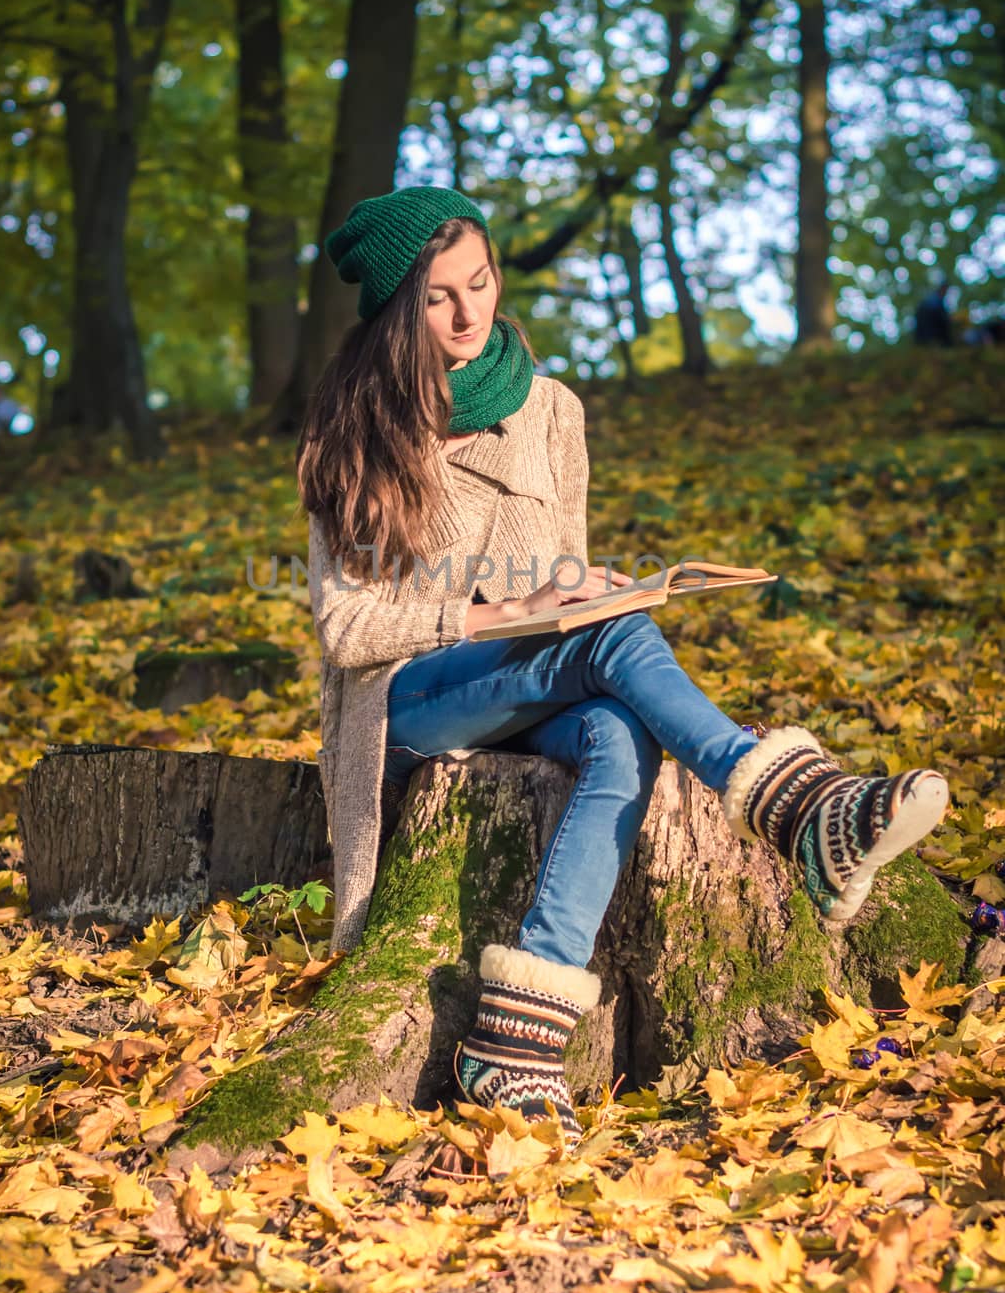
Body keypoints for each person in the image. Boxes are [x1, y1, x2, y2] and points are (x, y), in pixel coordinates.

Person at [297, 185, 950, 1146]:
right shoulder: (350, 434)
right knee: (605, 648)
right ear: (400, 311)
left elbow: (557, 563)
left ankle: (516, 1043)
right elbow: (346, 632)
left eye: (480, 281)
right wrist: (503, 611)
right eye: (440, 297)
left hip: (530, 675)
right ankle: (796, 807)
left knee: (617, 726)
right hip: (410, 700)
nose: (471, 311)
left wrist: (580, 586)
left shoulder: (553, 409)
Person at [913, 278, 953, 346]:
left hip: (926, 321)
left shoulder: (935, 297)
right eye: (945, 289)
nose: (946, 292)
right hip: (927, 319)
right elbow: (940, 315)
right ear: (942, 288)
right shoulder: (936, 298)